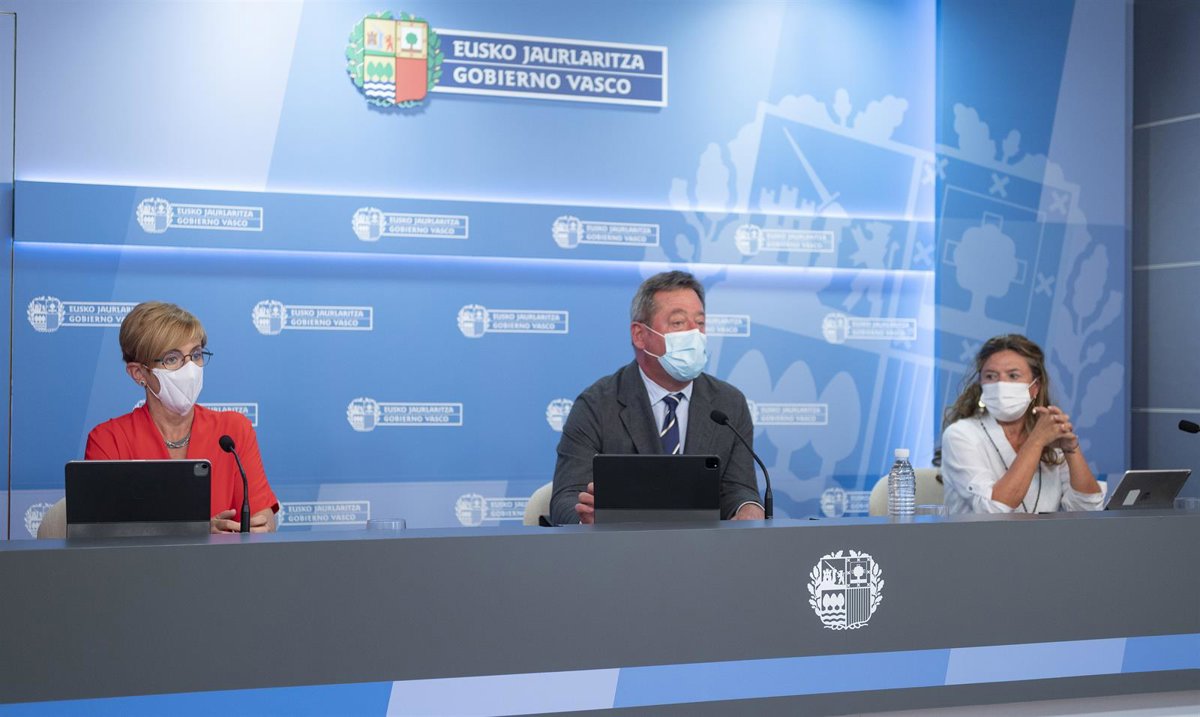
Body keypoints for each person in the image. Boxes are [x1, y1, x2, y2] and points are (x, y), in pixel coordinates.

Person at [550, 271, 764, 524]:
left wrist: (748, 508)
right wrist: (586, 517)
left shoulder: (728, 404)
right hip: (624, 545)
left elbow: (738, 489)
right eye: (678, 323)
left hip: (704, 545)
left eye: (700, 322)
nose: (695, 334)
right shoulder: (597, 406)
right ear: (640, 335)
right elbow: (566, 497)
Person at [85, 302, 279, 533]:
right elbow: (101, 536)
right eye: (172, 359)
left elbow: (263, 519)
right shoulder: (109, 440)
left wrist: (259, 527)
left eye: (196, 355)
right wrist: (197, 533)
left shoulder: (233, 430)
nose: (190, 369)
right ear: (139, 373)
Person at [941, 334, 1103, 514]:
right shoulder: (960, 435)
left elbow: (1089, 508)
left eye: (1013, 375)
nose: (1001, 384)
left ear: (1035, 387)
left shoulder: (1047, 432)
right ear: (981, 384)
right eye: (990, 376)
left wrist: (1071, 449)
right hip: (980, 533)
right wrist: (1036, 441)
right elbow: (994, 509)